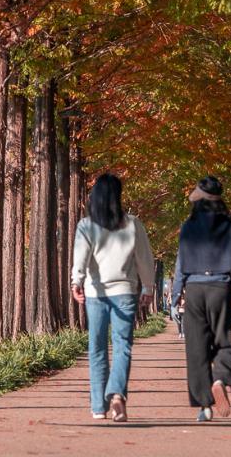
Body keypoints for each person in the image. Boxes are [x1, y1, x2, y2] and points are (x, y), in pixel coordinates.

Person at [71, 172, 157, 424]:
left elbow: (81, 257)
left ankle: (99, 406)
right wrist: (149, 287)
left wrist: (76, 281)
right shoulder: (132, 224)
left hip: (95, 293)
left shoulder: (86, 226)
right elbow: (144, 258)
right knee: (122, 346)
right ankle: (118, 394)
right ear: (117, 197)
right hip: (125, 292)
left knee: (96, 348)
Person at [170, 175, 231, 423]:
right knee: (223, 340)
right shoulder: (229, 226)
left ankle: (204, 405)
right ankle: (220, 378)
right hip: (220, 286)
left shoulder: (188, 227)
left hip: (194, 289)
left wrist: (174, 297)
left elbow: (180, 265)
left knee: (196, 349)